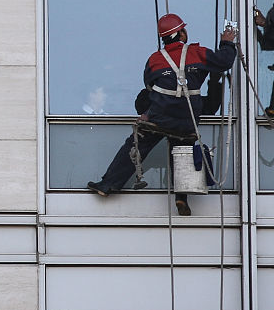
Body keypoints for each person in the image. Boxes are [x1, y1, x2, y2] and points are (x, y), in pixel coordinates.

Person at [87, 13, 237, 216]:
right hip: (187, 119)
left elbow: (149, 87)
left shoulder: (155, 60)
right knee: (181, 149)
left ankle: (108, 184)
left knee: (136, 144)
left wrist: (147, 113)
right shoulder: (198, 53)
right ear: (181, 33)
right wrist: (227, 43)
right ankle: (181, 198)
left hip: (161, 117)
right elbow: (224, 61)